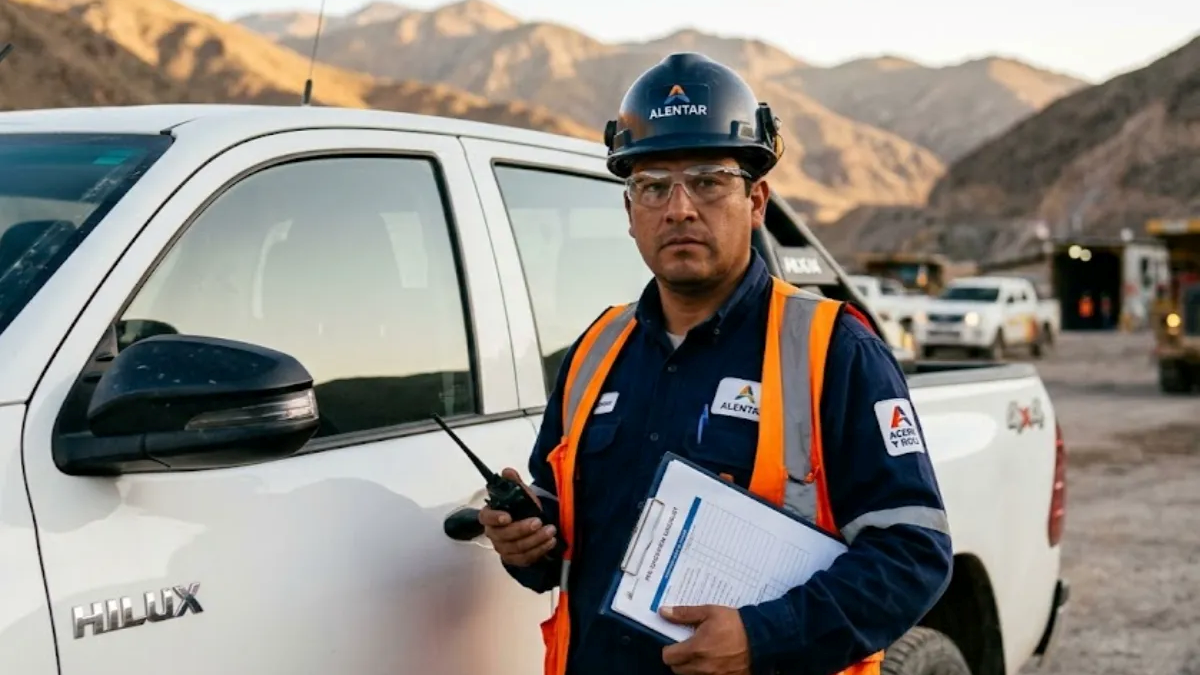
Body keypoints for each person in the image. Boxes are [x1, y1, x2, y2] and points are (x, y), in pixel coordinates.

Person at [479, 52, 954, 675]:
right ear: (629, 214)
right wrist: (527, 541)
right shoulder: (597, 349)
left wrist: (764, 636)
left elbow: (913, 552)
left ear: (756, 201)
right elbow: (566, 527)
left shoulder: (832, 350)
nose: (679, 208)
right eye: (653, 186)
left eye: (708, 180)